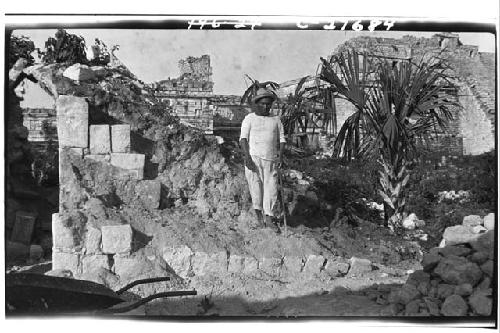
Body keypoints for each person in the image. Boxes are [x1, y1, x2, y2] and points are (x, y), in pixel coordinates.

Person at [240, 88, 286, 232]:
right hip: (254, 159)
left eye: (268, 104)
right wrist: (247, 158)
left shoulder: (276, 119)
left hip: (271, 160)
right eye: (263, 104)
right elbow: (243, 139)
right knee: (256, 188)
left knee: (271, 188)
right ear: (257, 104)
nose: (266, 107)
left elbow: (282, 139)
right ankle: (259, 217)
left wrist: (281, 155)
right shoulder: (250, 119)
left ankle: (269, 217)